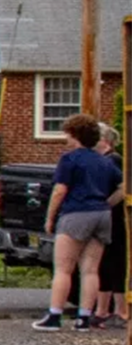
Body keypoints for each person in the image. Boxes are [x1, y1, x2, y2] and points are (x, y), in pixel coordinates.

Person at [35, 112, 125, 332]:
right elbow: (124, 186)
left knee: (63, 268)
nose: (65, 138)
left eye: (67, 134)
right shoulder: (104, 161)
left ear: (75, 135)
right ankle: (84, 317)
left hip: (76, 213)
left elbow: (60, 190)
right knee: (91, 269)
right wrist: (107, 203)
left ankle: (54, 315)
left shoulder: (70, 159)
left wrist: (49, 217)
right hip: (102, 215)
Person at [98, 124, 127, 328]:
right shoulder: (101, 161)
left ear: (105, 141)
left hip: (116, 220)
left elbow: (124, 187)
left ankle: (121, 310)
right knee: (104, 263)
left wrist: (106, 205)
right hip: (106, 220)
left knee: (116, 262)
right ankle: (102, 309)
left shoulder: (113, 160)